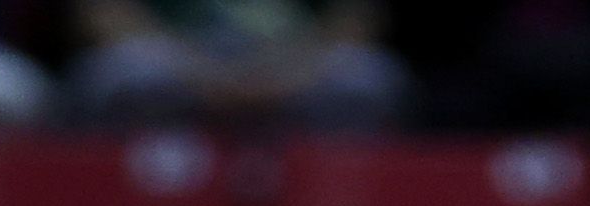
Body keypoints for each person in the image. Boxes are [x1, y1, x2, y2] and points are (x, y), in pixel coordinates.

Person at [63, 0, 404, 126]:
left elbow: (358, 18)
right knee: (112, 73)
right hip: (178, 63)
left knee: (371, 78)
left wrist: (285, 76)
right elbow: (103, 13)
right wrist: (203, 76)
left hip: (296, 64)